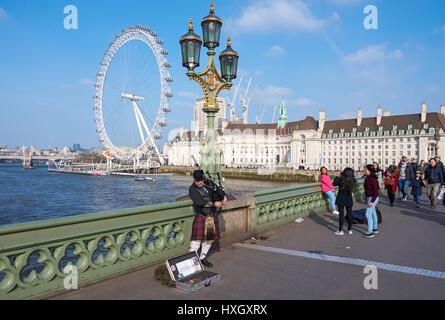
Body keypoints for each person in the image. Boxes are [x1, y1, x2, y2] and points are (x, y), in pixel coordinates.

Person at [188, 170, 227, 267]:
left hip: (211, 216)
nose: (200, 182)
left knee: (208, 240)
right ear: (194, 179)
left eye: (201, 180)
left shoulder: (209, 183)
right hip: (201, 215)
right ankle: (191, 262)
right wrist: (214, 204)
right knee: (196, 241)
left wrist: (224, 196)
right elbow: (199, 202)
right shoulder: (192, 189)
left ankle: (202, 258)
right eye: (198, 181)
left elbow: (219, 190)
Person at [332, 168, 356, 236]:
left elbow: (334, 183)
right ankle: (349, 230)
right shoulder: (352, 180)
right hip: (348, 197)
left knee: (341, 215)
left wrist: (337, 176)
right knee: (350, 214)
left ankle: (341, 230)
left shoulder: (341, 179)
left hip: (341, 197)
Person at [363, 165, 380, 238]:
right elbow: (366, 190)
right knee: (373, 213)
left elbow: (376, 193)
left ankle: (370, 232)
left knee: (368, 214)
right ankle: (375, 228)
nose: (364, 170)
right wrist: (366, 199)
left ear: (370, 170)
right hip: (369, 197)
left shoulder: (373, 180)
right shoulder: (367, 178)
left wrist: (372, 201)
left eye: (366, 169)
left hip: (373, 198)